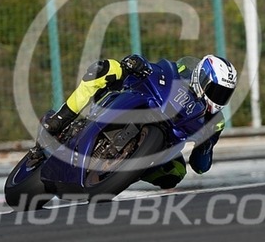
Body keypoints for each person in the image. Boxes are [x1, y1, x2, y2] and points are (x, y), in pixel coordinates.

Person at [42, 54, 237, 189]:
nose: (218, 98)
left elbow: (200, 166)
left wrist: (206, 145)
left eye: (224, 94)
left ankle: (123, 173)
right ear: (202, 77)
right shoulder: (183, 71)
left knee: (175, 172)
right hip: (149, 102)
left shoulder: (214, 121)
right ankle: (61, 118)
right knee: (106, 69)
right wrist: (137, 63)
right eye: (216, 91)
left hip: (166, 143)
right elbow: (161, 69)